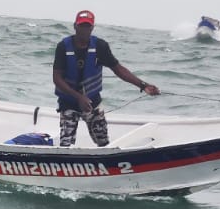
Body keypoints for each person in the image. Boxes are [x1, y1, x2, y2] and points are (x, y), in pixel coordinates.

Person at [52, 10, 159, 147]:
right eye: (81, 26)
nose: (84, 30)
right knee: (66, 144)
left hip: (93, 102)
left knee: (103, 142)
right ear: (75, 26)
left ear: (92, 27)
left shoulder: (100, 46)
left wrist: (143, 85)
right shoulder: (63, 46)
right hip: (68, 102)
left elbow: (119, 69)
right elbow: (57, 78)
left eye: (87, 26)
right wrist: (78, 97)